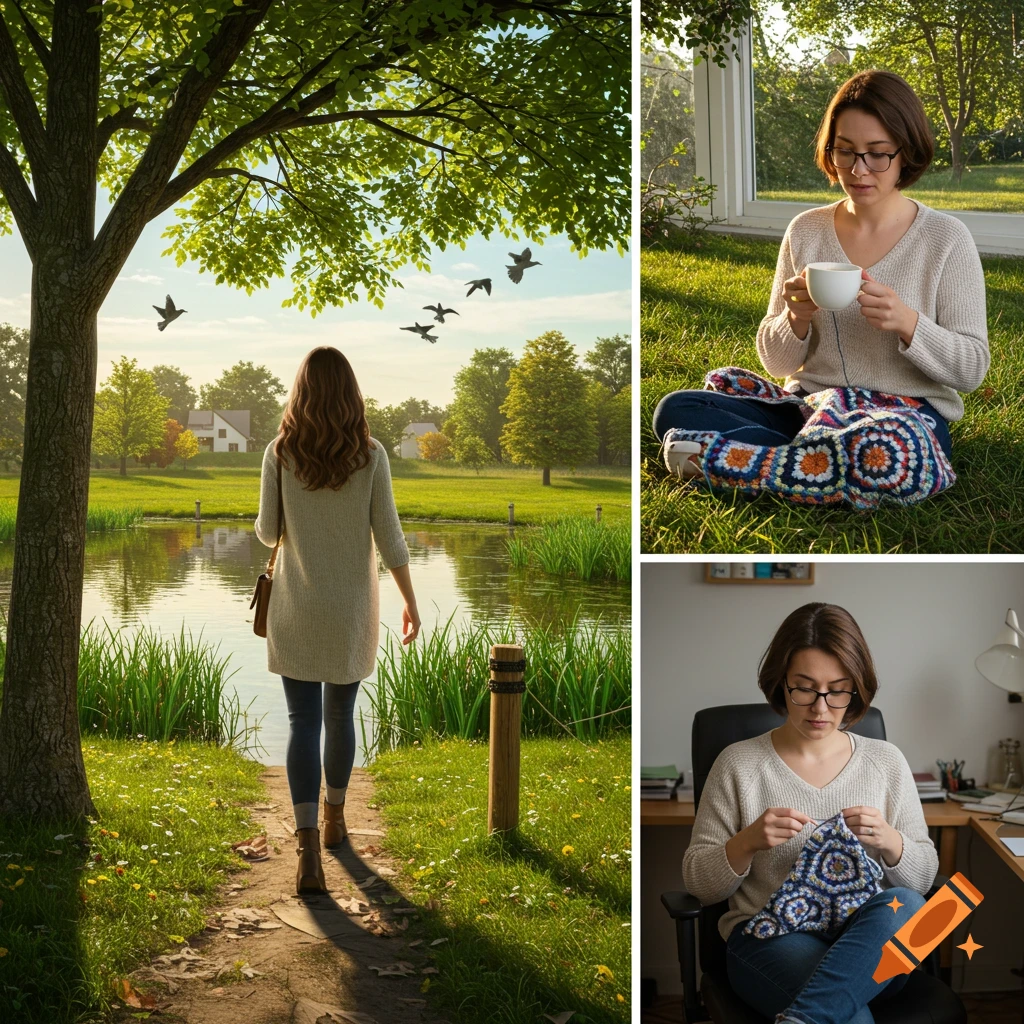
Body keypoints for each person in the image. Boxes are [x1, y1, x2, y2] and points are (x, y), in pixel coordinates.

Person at [654, 69, 989, 483]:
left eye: (877, 153)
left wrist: (908, 323)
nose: (859, 169)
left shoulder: (946, 239)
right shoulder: (806, 230)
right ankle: (814, 462)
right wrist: (794, 319)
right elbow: (777, 364)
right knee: (675, 408)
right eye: (844, 151)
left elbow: (972, 369)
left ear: (907, 152)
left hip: (907, 414)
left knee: (890, 447)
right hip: (811, 406)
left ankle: (746, 459)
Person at [682, 603, 939, 1024]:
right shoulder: (740, 765)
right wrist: (746, 842)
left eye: (838, 690)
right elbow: (699, 882)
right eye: (804, 688)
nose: (821, 708)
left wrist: (890, 842)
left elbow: (925, 877)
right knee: (851, 1018)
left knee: (907, 903)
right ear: (780, 684)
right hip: (771, 939)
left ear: (857, 688)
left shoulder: (886, 762)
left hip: (870, 947)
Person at [254, 345, 421, 895]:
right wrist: (410, 602)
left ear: (300, 392)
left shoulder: (279, 454)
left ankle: (305, 853)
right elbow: (390, 537)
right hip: (351, 609)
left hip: (296, 609)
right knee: (340, 716)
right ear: (351, 394)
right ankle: (334, 818)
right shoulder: (370, 455)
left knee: (303, 722)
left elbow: (266, 531)